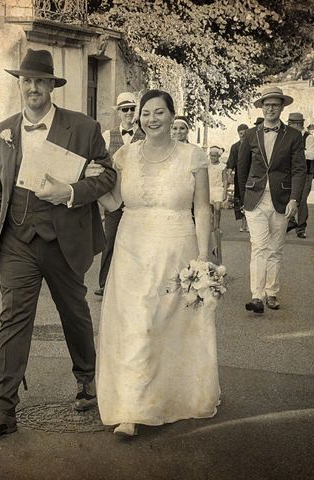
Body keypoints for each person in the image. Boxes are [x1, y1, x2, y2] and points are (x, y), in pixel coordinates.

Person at [0, 49, 116, 437]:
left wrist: (70, 191)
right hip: (17, 241)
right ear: (19, 85)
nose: (32, 87)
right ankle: (3, 411)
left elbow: (107, 177)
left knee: (74, 312)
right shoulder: (3, 130)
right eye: (26, 80)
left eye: (40, 81)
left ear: (52, 85)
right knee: (13, 320)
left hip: (64, 239)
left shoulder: (83, 128)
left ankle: (86, 379)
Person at [90, 90, 218, 437]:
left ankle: (170, 396)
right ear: (138, 118)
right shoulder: (125, 155)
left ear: (173, 115)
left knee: (168, 326)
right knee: (135, 324)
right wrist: (92, 183)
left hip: (177, 248)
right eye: (146, 113)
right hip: (131, 249)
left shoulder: (193, 156)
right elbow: (114, 202)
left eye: (159, 112)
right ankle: (131, 409)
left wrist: (203, 258)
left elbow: (202, 208)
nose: (151, 119)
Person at [238, 87, 306, 313]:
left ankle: (272, 292)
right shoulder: (250, 135)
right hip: (254, 199)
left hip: (282, 199)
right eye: (267, 105)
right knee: (258, 246)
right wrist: (242, 201)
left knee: (275, 248)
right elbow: (242, 169)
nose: (270, 108)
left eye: (275, 105)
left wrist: (295, 199)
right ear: (261, 107)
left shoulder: (294, 137)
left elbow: (299, 170)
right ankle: (257, 296)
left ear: (282, 107)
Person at [94, 92, 145, 297]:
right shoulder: (108, 135)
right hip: (115, 197)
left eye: (132, 109)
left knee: (138, 241)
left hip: (138, 197)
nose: (129, 113)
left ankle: (135, 282)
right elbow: (101, 165)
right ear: (119, 113)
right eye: (125, 109)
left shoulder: (145, 135)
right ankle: (105, 282)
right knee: (111, 238)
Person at [286, 113, 314, 239]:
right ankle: (291, 221)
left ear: (298, 124)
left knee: (302, 200)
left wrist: (296, 152)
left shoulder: (308, 138)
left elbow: (310, 155)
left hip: (306, 173)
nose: (288, 127)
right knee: (289, 197)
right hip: (290, 173)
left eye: (290, 124)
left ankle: (301, 227)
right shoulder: (289, 137)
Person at [226, 124, 250, 232]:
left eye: (245, 133)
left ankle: (249, 224)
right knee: (241, 200)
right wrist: (228, 176)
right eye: (241, 133)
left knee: (250, 200)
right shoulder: (235, 147)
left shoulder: (252, 146)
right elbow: (231, 163)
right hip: (239, 178)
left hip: (251, 177)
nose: (243, 136)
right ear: (238, 134)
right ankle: (243, 223)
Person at [208, 145, 228, 264]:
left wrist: (225, 191)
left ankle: (217, 226)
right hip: (209, 188)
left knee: (217, 208)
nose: (213, 158)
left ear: (218, 156)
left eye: (215, 156)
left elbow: (225, 180)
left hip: (218, 188)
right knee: (209, 209)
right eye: (211, 156)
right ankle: (211, 226)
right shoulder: (207, 165)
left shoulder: (222, 166)